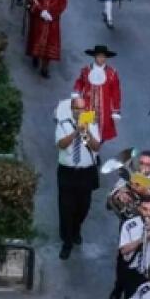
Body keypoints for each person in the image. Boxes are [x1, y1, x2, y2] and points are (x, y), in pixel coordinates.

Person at [54, 91, 98, 259]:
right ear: (71, 109)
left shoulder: (91, 124)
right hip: (68, 172)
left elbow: (96, 147)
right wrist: (74, 133)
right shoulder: (63, 124)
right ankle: (67, 242)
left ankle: (76, 228)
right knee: (66, 208)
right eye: (76, 108)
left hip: (85, 173)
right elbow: (61, 145)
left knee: (83, 207)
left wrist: (86, 132)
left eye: (82, 108)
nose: (79, 111)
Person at [27, 0, 67, 79]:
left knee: (50, 43)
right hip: (39, 20)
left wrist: (53, 14)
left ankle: (45, 68)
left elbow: (63, 3)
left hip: (52, 22)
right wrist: (40, 11)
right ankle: (35, 56)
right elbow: (33, 0)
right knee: (37, 38)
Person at [73, 44, 121, 144]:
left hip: (104, 110)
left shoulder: (112, 73)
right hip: (87, 107)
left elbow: (116, 93)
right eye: (99, 56)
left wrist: (116, 111)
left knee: (101, 132)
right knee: (84, 128)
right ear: (94, 57)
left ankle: (95, 151)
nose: (101, 59)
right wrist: (76, 93)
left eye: (103, 57)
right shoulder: (86, 70)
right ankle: (87, 149)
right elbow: (80, 82)